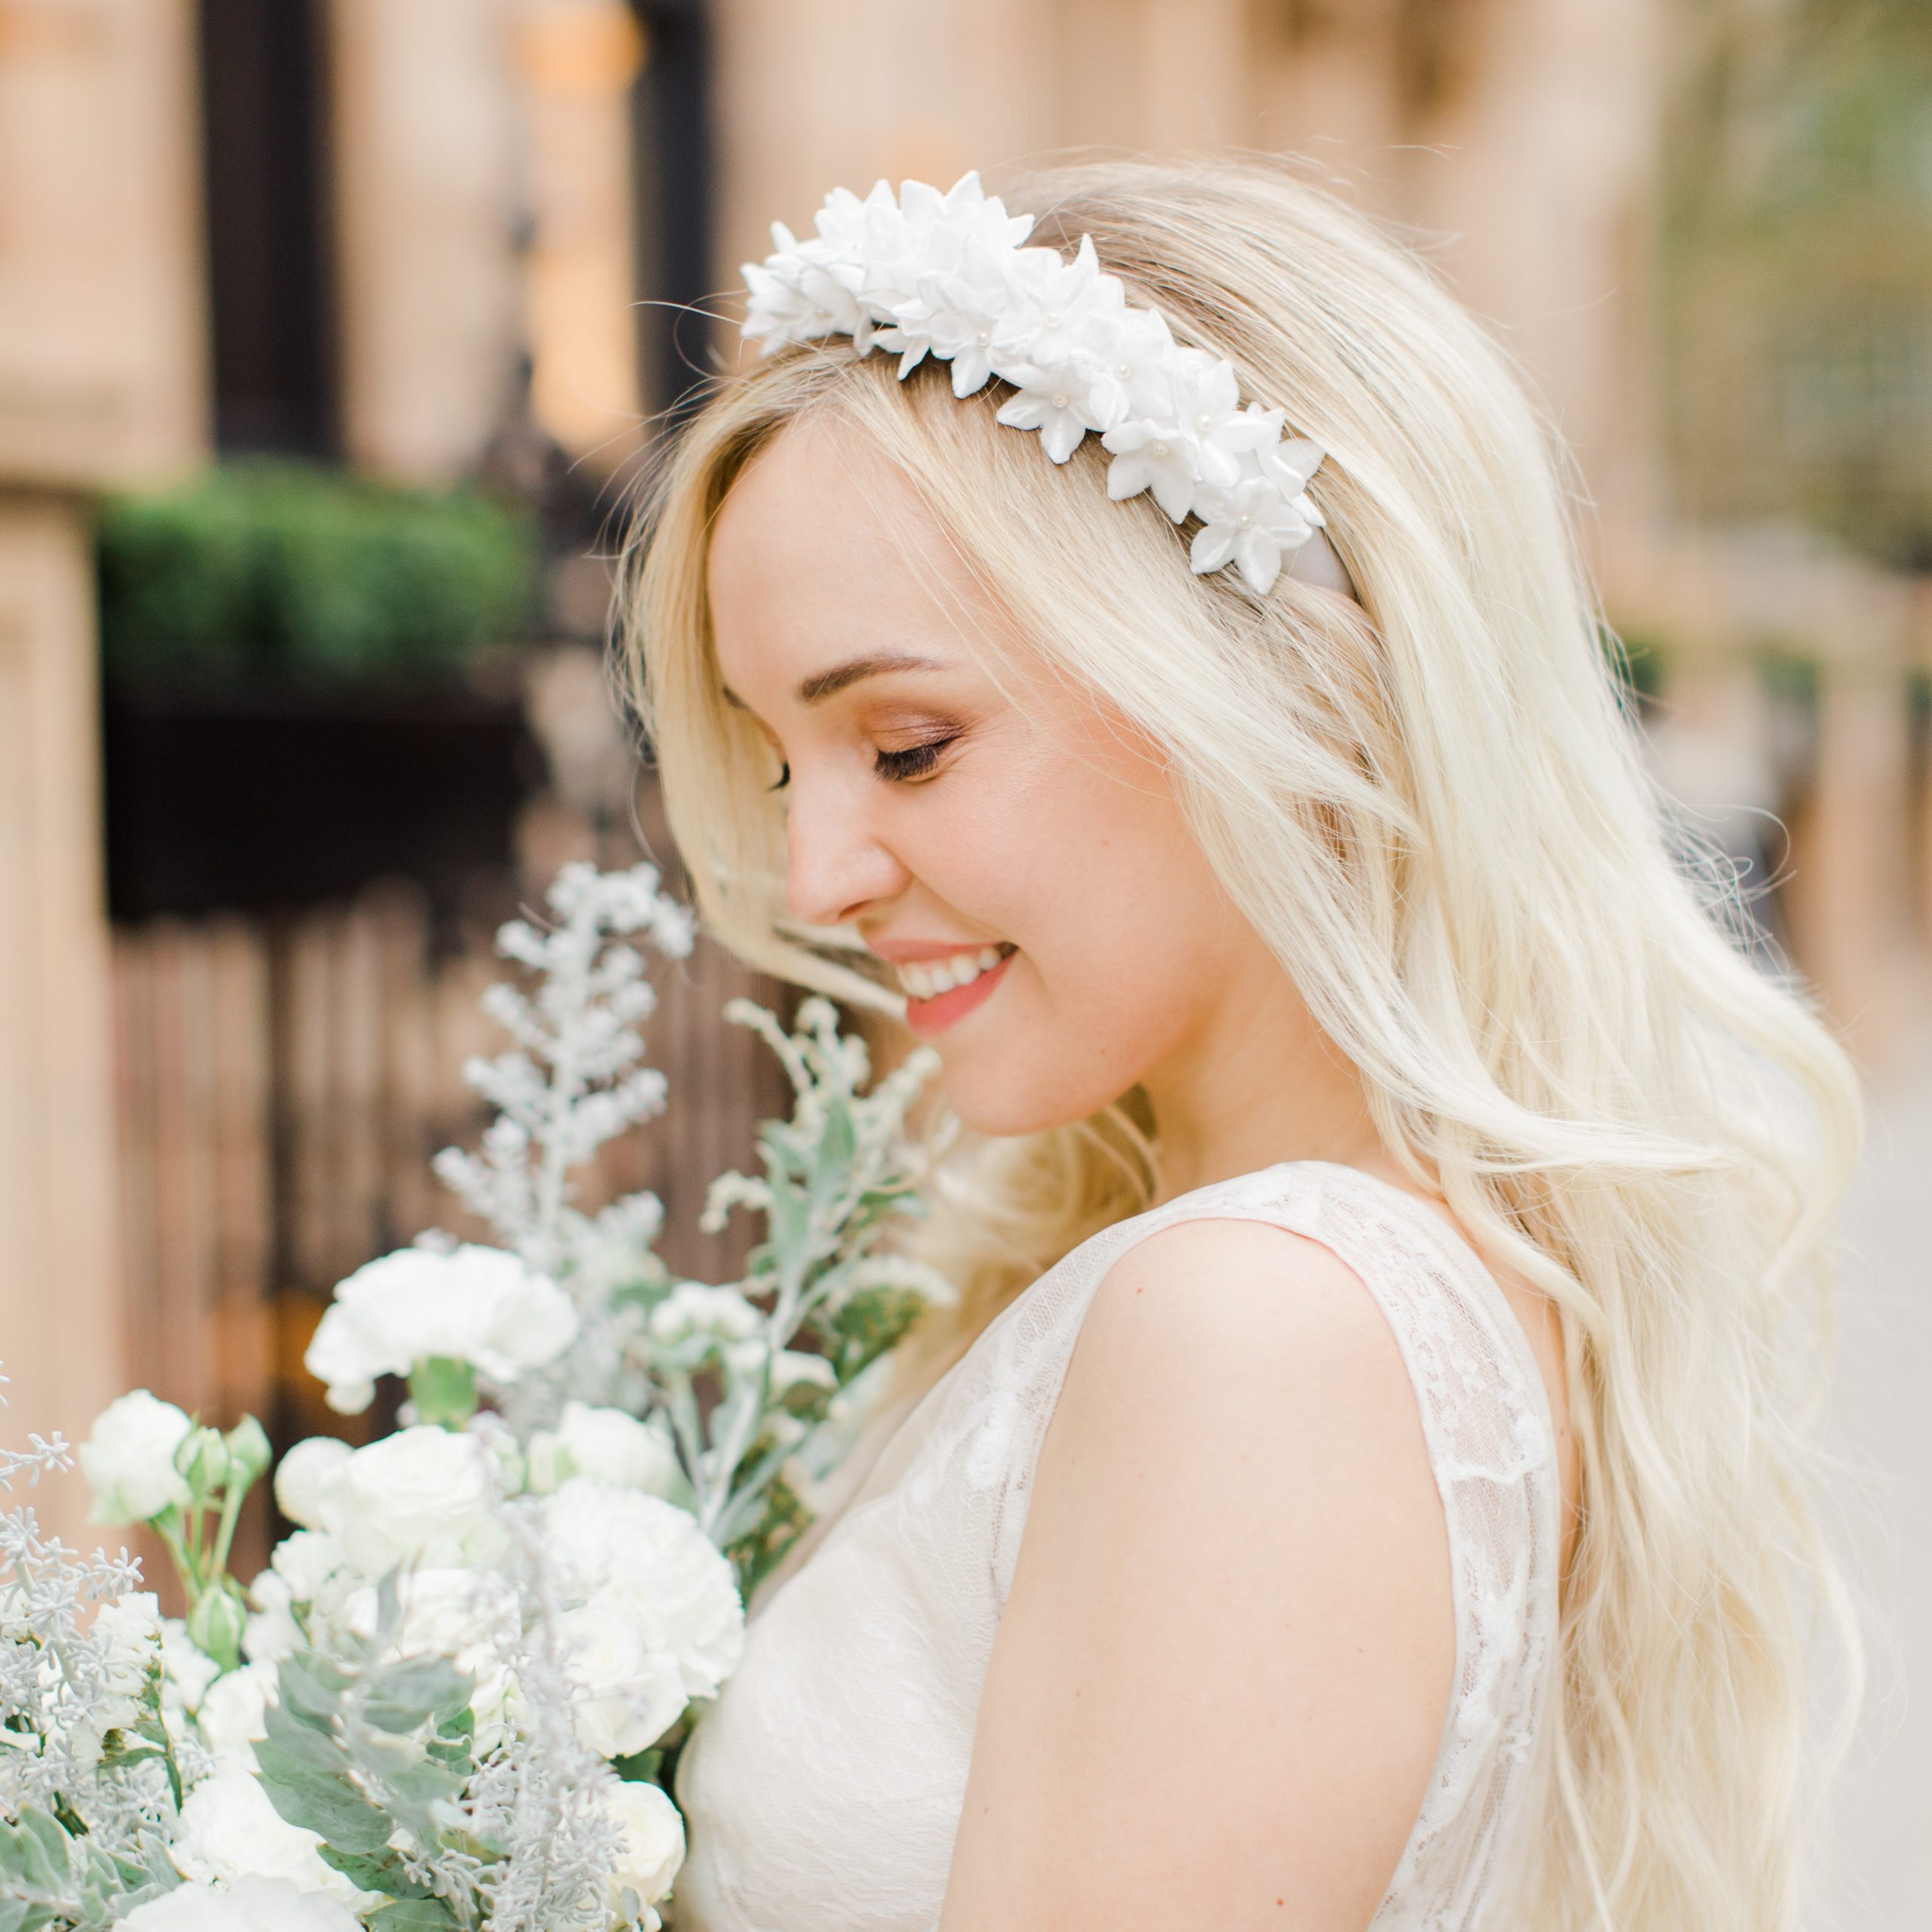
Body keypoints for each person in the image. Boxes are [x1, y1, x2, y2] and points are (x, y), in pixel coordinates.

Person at [623, 156, 1860, 1932]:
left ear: (1288, 681)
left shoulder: (1254, 1330)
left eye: (903, 745)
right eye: (773, 760)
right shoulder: (1289, 1271)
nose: (814, 874)